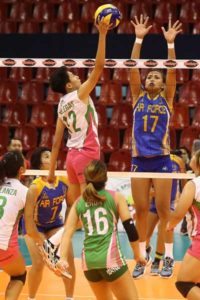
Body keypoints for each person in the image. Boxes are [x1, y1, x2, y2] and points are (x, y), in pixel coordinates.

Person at [129, 15, 182, 278]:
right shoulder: (137, 97)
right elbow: (131, 67)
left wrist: (169, 44)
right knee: (140, 211)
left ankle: (169, 258)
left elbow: (172, 70)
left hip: (162, 160)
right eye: (148, 75)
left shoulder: (168, 99)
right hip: (140, 159)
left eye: (154, 76)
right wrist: (138, 38)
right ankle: (141, 257)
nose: (150, 78)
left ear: (162, 84)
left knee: (164, 211)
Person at [54, 160, 146, 300]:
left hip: (89, 264)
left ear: (86, 179)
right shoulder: (115, 197)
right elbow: (130, 228)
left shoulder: (79, 201)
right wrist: (137, 254)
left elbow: (68, 232)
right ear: (106, 178)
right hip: (111, 261)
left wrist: (63, 259)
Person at [48, 21, 110, 204]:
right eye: (73, 76)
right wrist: (103, 35)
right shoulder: (79, 94)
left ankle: (69, 234)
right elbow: (99, 67)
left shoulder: (61, 105)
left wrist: (51, 170)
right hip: (87, 153)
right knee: (90, 205)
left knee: (76, 207)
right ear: (68, 85)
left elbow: (56, 142)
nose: (77, 76)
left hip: (71, 157)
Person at [24, 147, 75, 300]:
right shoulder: (35, 187)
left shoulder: (64, 180)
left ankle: (69, 298)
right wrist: (44, 246)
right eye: (47, 156)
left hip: (55, 225)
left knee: (69, 259)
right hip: (34, 227)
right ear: (39, 165)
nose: (52, 157)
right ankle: (31, 298)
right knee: (39, 264)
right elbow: (28, 222)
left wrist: (66, 228)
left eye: (52, 155)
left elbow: (72, 205)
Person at [146, 153, 185, 278]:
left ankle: (158, 260)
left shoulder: (178, 161)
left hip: (170, 203)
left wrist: (184, 200)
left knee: (163, 229)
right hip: (154, 203)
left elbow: (183, 183)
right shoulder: (153, 161)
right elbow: (147, 187)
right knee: (145, 233)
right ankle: (146, 249)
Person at [168, 150, 200, 300]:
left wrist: (169, 225)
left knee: (184, 283)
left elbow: (178, 213)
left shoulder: (194, 185)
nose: (191, 157)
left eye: (194, 155)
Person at [0, 151, 27, 300]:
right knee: (19, 276)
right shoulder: (24, 192)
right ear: (21, 170)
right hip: (3, 245)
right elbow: (30, 227)